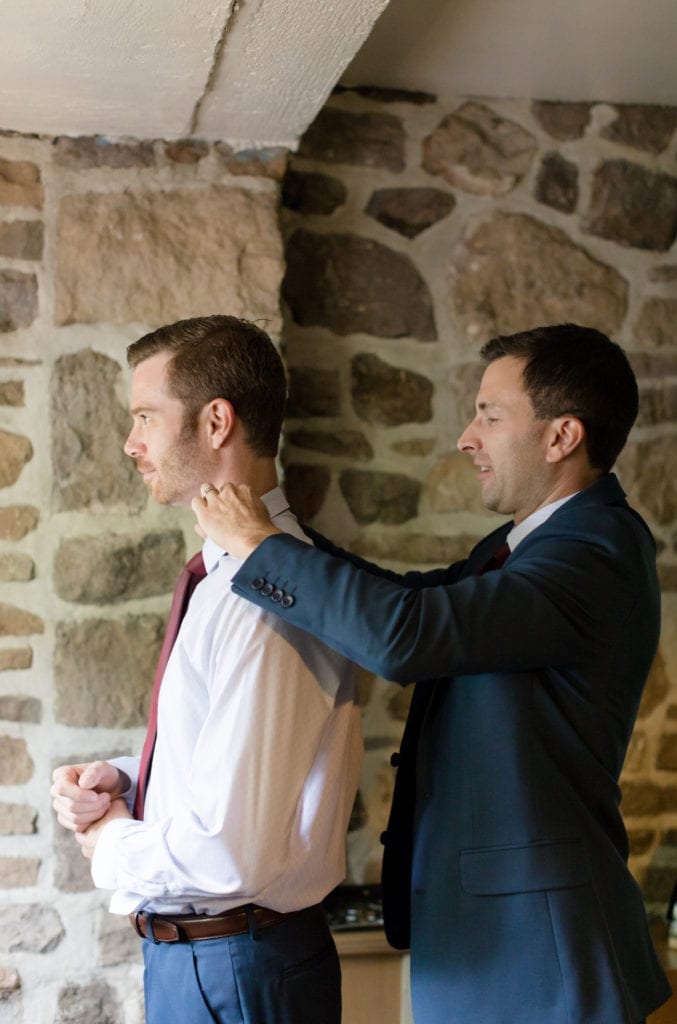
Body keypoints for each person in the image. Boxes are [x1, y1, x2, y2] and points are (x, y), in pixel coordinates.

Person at [191, 323, 671, 1024]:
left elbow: (405, 638)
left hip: (541, 957)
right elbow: (408, 599)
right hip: (490, 944)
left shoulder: (595, 551)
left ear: (561, 436)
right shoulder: (520, 547)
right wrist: (280, 532)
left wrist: (261, 546)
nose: (466, 438)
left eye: (489, 414)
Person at [51, 315, 363, 1024]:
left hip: (237, 965)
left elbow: (231, 852)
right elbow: (237, 757)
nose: (131, 444)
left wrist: (108, 842)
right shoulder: (230, 575)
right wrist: (126, 777)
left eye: (144, 418)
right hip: (212, 959)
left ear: (215, 421)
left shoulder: (274, 592)